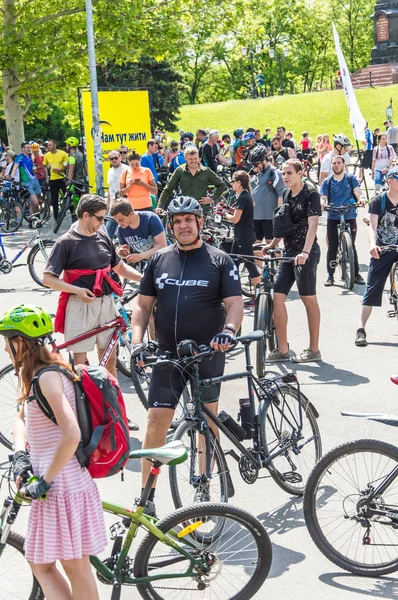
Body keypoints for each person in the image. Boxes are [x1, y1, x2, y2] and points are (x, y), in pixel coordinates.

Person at [131, 196, 243, 513]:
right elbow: (142, 306)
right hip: (168, 354)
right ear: (171, 226)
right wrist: (138, 342)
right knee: (155, 421)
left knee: (207, 422)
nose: (183, 225)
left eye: (188, 220)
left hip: (208, 352)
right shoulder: (159, 260)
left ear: (200, 224)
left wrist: (229, 331)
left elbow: (235, 305)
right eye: (177, 221)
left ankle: (203, 483)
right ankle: (146, 497)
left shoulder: (220, 260)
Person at [0, 303, 106, 599]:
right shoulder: (38, 375)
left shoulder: (47, 377)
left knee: (76, 568)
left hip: (62, 487)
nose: (6, 350)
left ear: (19, 342)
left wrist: (44, 479)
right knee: (40, 562)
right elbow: (21, 419)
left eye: (7, 342)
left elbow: (71, 434)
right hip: (54, 487)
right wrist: (21, 457)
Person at [42, 194, 142, 381]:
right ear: (86, 215)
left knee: (110, 359)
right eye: (100, 218)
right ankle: (85, 404)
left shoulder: (102, 236)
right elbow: (48, 279)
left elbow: (118, 267)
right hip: (80, 305)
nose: (103, 222)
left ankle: (111, 401)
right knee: (80, 365)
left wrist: (143, 278)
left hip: (106, 304)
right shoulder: (66, 242)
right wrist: (76, 290)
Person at [263, 159, 322, 363]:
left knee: (308, 298)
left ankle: (314, 349)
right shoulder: (287, 194)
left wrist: (305, 253)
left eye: (289, 173)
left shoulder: (311, 193)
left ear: (300, 173)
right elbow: (284, 224)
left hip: (306, 252)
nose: (285, 177)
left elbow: (313, 226)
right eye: (283, 173)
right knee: (277, 296)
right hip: (289, 253)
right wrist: (272, 245)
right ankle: (283, 349)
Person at [355, 167, 398, 347]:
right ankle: (361, 329)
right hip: (383, 248)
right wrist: (373, 245)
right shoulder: (378, 201)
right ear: (390, 181)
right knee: (372, 288)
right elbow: (372, 227)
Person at [320, 155, 365, 286]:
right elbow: (323, 197)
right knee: (332, 246)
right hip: (333, 215)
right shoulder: (327, 182)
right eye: (334, 163)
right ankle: (330, 275)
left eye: (339, 163)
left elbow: (358, 192)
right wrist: (322, 203)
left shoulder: (351, 179)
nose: (336, 165)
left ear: (344, 164)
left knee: (352, 245)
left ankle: (356, 274)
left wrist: (361, 199)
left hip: (349, 214)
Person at [220, 170, 261, 306]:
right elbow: (239, 213)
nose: (231, 183)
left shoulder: (243, 197)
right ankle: (232, 294)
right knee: (233, 264)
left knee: (250, 265)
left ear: (239, 182)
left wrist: (224, 214)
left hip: (244, 236)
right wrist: (228, 209)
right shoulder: (243, 196)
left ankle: (258, 296)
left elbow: (236, 219)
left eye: (233, 181)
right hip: (239, 236)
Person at [157, 145, 225, 214]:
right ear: (185, 158)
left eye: (195, 158)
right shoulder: (180, 171)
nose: (193, 161)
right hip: (185, 209)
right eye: (190, 159)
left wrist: (212, 198)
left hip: (202, 210)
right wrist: (160, 206)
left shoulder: (206, 171)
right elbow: (168, 189)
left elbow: (221, 185)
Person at [110, 198, 167, 263]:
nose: (119, 223)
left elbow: (163, 246)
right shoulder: (121, 229)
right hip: (149, 263)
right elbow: (124, 250)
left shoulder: (150, 218)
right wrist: (121, 253)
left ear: (130, 214)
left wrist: (140, 256)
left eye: (121, 220)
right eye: (116, 220)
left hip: (165, 259)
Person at [249, 145, 285, 244]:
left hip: (269, 217)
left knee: (271, 244)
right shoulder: (256, 173)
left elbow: (281, 195)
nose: (255, 167)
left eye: (257, 164)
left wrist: (279, 216)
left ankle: (277, 260)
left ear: (265, 160)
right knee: (256, 244)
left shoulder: (274, 173)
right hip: (256, 216)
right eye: (253, 165)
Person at [11, 141, 40, 215]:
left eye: (29, 147)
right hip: (27, 182)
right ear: (22, 149)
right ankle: (37, 217)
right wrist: (12, 177)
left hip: (35, 180)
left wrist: (35, 170)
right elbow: (15, 168)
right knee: (35, 203)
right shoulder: (19, 157)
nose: (29, 149)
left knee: (33, 203)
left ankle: (33, 220)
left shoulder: (30, 156)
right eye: (27, 147)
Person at [43, 139, 68, 220]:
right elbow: (44, 165)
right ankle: (56, 216)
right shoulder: (47, 155)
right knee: (54, 198)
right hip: (53, 179)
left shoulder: (63, 154)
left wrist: (59, 170)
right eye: (48, 145)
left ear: (54, 145)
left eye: (50, 145)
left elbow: (66, 166)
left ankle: (69, 211)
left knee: (67, 195)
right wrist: (46, 176)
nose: (48, 147)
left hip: (62, 178)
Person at [106, 150, 128, 238]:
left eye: (116, 158)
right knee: (108, 233)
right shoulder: (110, 171)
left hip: (124, 206)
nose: (114, 160)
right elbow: (110, 188)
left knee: (124, 233)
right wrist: (107, 204)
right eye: (112, 159)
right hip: (113, 206)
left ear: (120, 158)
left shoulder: (126, 169)